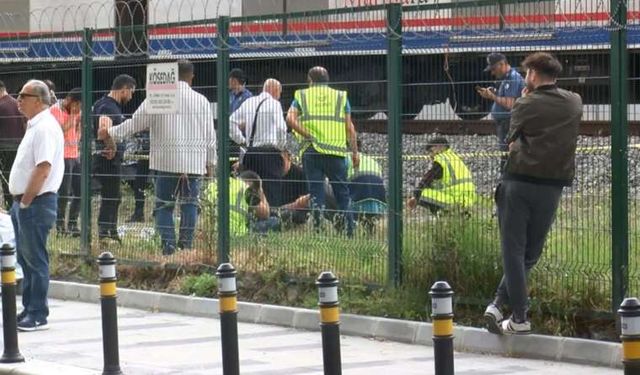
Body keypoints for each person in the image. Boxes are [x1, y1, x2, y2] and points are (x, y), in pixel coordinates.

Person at [484, 52, 582, 335]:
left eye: (527, 73)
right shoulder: (575, 102)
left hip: (519, 183)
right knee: (531, 253)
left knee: (513, 251)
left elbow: (511, 144)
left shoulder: (525, 103)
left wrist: (526, 100)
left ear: (533, 75)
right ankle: (498, 304)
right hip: (552, 186)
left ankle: (519, 317)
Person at [99, 60, 216, 255]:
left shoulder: (160, 97)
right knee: (189, 207)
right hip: (194, 163)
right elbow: (210, 137)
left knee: (163, 208)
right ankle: (186, 249)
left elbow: (134, 124)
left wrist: (111, 132)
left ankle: (168, 249)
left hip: (166, 162)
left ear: (171, 75)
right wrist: (210, 163)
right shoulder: (202, 101)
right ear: (191, 77)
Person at [10, 80, 64, 331]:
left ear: (39, 100)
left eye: (23, 95)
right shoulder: (35, 126)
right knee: (25, 257)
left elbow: (43, 168)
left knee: (35, 258)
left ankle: (37, 312)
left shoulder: (44, 128)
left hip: (35, 203)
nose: (18, 99)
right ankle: (29, 307)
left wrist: (26, 201)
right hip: (25, 202)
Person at [286, 66, 359, 236]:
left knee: (316, 193)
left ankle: (318, 232)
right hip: (336, 152)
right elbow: (350, 128)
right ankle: (350, 233)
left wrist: (308, 135)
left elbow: (290, 118)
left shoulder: (302, 95)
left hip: (312, 152)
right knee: (342, 194)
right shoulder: (340, 97)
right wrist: (354, 152)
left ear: (310, 81)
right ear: (327, 80)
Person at [93, 74, 137, 243]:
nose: (131, 96)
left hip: (106, 160)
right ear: (124, 89)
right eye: (131, 92)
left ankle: (111, 233)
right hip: (108, 161)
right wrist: (112, 146)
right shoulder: (109, 107)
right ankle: (105, 234)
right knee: (111, 197)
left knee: (114, 196)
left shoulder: (101, 103)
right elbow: (103, 130)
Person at [230, 78, 287, 207]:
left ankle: (250, 218)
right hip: (269, 154)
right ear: (275, 90)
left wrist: (242, 141)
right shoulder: (274, 104)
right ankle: (270, 219)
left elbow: (230, 123)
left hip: (251, 153)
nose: (279, 97)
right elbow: (281, 128)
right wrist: (280, 146)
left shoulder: (249, 102)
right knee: (271, 190)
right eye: (280, 93)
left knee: (251, 190)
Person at [476, 53, 525, 172]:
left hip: (508, 122)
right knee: (505, 151)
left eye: (494, 69)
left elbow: (510, 104)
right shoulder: (506, 78)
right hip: (504, 122)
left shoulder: (512, 78)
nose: (493, 73)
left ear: (502, 64)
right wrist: (496, 92)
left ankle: (507, 175)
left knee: (507, 152)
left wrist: (492, 96)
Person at [407, 137, 477, 214]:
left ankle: (445, 214)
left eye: (431, 151)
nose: (430, 155)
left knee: (422, 193)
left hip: (455, 200)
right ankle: (459, 213)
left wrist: (415, 196)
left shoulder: (441, 160)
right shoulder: (455, 158)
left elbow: (427, 179)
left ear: (439, 147)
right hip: (468, 201)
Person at [206, 170, 280, 236]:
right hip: (234, 231)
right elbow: (265, 214)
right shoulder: (246, 190)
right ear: (250, 184)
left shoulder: (215, 184)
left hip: (210, 231)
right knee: (274, 221)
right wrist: (261, 192)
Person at [50, 88, 82, 235]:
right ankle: (61, 226)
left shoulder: (76, 111)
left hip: (75, 155)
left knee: (80, 191)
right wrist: (73, 116)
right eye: (78, 105)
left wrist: (77, 137)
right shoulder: (54, 111)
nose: (79, 109)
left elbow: (78, 127)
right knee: (64, 192)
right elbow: (60, 130)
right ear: (70, 101)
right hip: (62, 156)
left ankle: (73, 224)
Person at [345, 141, 386, 233]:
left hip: (358, 195)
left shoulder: (346, 158)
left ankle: (349, 229)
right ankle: (369, 231)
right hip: (378, 198)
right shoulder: (372, 160)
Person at [0, 80, 26, 211]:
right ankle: (15, 208)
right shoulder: (17, 103)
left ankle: (11, 209)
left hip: (4, 149)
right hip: (19, 147)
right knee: (15, 180)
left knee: (6, 182)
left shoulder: (1, 105)